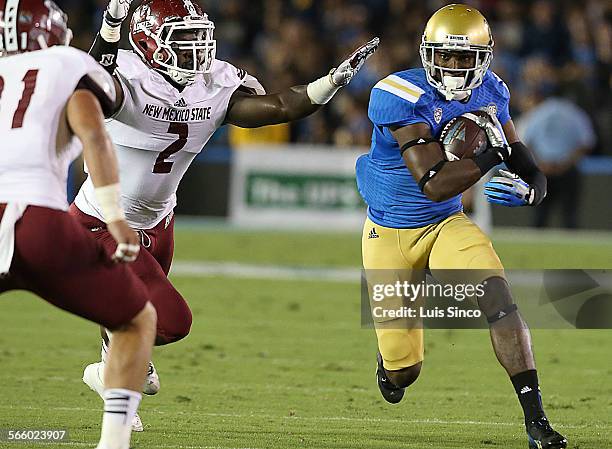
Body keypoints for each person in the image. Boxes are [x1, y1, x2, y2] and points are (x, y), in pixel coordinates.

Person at [73, 0, 378, 431]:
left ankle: (115, 387)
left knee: (134, 318)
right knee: (168, 321)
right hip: (104, 221)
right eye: (181, 41)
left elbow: (278, 108)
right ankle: (114, 376)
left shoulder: (213, 83)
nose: (195, 51)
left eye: (199, 39)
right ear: (145, 44)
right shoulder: (127, 76)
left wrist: (329, 83)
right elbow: (89, 93)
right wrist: (109, 29)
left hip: (160, 221)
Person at [358, 4, 566, 449]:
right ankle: (390, 365)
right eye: (445, 56)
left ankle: (536, 420)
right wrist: (490, 153)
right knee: (403, 371)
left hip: (446, 223)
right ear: (427, 54)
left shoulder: (490, 90)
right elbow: (433, 182)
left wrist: (536, 187)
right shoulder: (397, 93)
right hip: (390, 234)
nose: (453, 67)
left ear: (484, 58)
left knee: (500, 298)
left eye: (463, 58)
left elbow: (518, 150)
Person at [0, 1, 157, 449]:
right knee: (135, 321)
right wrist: (115, 216)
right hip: (38, 220)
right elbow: (93, 132)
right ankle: (113, 443)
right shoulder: (65, 63)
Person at [518, 95, 595, 228]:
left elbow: (525, 142)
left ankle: (537, 245)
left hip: (543, 169)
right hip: (567, 170)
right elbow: (586, 143)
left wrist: (540, 163)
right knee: (569, 214)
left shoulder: (538, 112)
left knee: (540, 215)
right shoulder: (576, 113)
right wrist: (565, 164)